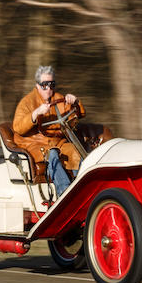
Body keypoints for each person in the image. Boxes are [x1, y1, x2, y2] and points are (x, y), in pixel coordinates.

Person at [13, 65, 86, 196]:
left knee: (76, 151)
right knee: (52, 154)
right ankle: (64, 193)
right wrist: (35, 113)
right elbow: (17, 127)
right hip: (36, 145)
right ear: (37, 85)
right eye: (44, 85)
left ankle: (83, 190)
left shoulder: (59, 99)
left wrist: (75, 102)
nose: (49, 89)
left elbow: (77, 116)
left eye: (52, 84)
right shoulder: (27, 102)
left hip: (57, 142)